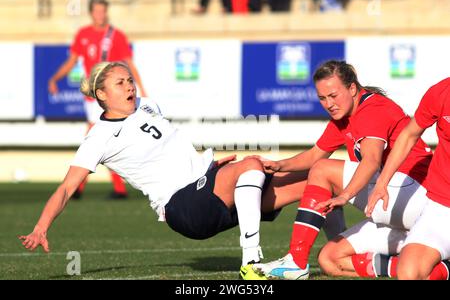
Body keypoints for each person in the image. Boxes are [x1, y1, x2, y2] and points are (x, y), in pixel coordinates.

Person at [21, 61, 343, 280]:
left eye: (130, 79)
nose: (129, 86)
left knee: (319, 177)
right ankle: (251, 263)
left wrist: (207, 170)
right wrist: (41, 226)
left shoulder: (147, 106)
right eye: (120, 83)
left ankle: (338, 253)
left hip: (206, 186)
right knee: (251, 164)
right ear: (102, 95)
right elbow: (66, 188)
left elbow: (172, 151)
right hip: (182, 206)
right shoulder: (99, 138)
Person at [252, 60, 433, 280]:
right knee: (330, 259)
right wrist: (280, 165)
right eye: (322, 98)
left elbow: (371, 161)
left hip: (420, 196)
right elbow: (314, 155)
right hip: (399, 205)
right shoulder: (344, 118)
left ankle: (296, 261)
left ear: (353, 88)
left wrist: (345, 195)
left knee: (323, 171)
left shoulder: (372, 109)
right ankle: (433, 270)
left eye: (333, 95)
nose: (328, 104)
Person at [48, 0, 147, 200]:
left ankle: (80, 187)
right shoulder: (83, 34)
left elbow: (129, 64)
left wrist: (141, 89)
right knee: (101, 141)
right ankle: (115, 188)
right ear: (92, 12)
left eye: (103, 11)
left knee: (94, 141)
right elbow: (72, 61)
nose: (100, 15)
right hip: (94, 97)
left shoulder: (116, 36)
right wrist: (55, 78)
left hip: (109, 97)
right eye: (97, 11)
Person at [364, 77, 450, 280]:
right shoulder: (441, 92)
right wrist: (382, 183)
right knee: (409, 272)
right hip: (443, 208)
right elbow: (409, 135)